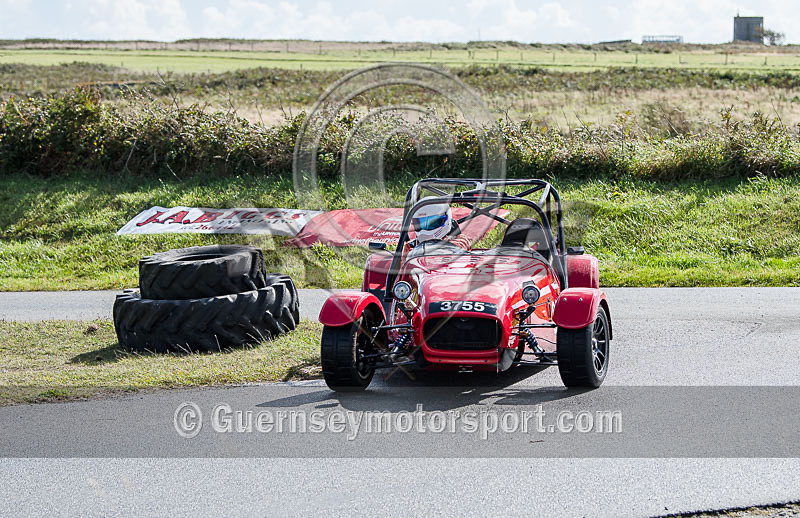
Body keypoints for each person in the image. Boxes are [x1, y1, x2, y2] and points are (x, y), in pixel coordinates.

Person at [408, 197, 473, 250]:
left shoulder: (459, 243)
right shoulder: (409, 247)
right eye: (419, 223)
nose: (424, 230)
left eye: (431, 223)